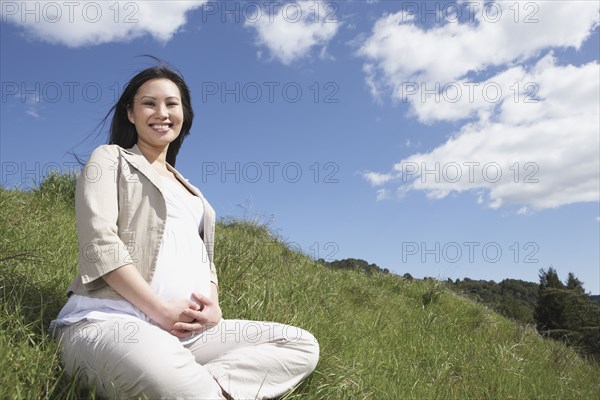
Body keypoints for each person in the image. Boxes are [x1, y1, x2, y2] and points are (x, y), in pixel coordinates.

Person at [49, 63, 320, 399]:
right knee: (177, 382)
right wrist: (159, 310)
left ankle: (203, 385)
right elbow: (99, 242)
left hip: (187, 333)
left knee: (300, 345)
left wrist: (214, 307)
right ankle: (192, 384)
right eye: (149, 103)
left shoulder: (193, 193)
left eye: (172, 104)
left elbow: (206, 263)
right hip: (112, 320)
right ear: (130, 114)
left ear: (184, 114)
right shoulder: (110, 159)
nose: (161, 112)